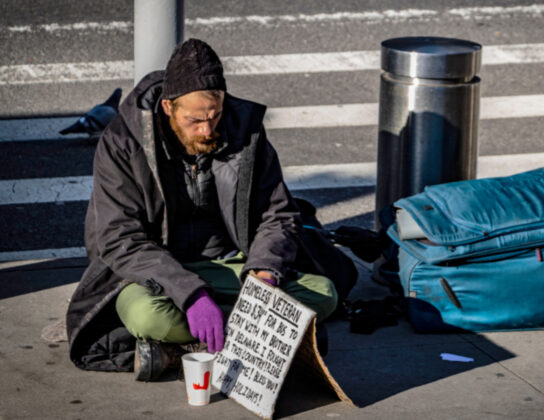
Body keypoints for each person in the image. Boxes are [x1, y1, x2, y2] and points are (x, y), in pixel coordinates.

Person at [66, 39, 356, 380]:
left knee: (324, 294)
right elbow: (119, 239)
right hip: (157, 273)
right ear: (168, 108)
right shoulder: (122, 142)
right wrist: (190, 294)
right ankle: (266, 341)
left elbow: (278, 214)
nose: (207, 130)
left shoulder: (244, 130)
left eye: (215, 115)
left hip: (229, 264)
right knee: (148, 317)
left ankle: (185, 349)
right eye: (195, 120)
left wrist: (264, 273)